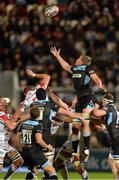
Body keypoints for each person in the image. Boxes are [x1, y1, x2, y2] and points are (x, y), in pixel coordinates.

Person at [50, 46, 106, 160]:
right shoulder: (75, 69)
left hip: (88, 97)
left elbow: (95, 78)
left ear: (82, 61)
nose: (76, 59)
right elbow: (65, 66)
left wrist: (99, 84)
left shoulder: (87, 68)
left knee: (85, 121)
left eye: (79, 58)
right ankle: (75, 152)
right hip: (80, 99)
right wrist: (57, 56)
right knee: (75, 125)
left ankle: (86, 149)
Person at [19, 88, 84, 180]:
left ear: (36, 96)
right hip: (45, 137)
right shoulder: (49, 105)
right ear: (45, 95)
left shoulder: (33, 105)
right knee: (49, 168)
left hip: (33, 138)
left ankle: (33, 175)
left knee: (36, 168)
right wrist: (80, 115)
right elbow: (66, 113)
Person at [92, 93, 119, 179]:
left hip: (116, 138)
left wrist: (95, 105)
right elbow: (115, 125)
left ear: (106, 100)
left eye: (102, 100)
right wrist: (105, 128)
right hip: (116, 136)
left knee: (117, 163)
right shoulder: (114, 108)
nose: (101, 102)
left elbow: (96, 114)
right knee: (111, 160)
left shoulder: (109, 107)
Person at [0, 97, 24, 180]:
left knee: (19, 161)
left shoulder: (5, 115)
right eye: (3, 100)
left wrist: (31, 114)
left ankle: (6, 179)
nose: (5, 101)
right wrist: (17, 121)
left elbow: (17, 117)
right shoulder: (1, 114)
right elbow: (11, 126)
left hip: (4, 144)